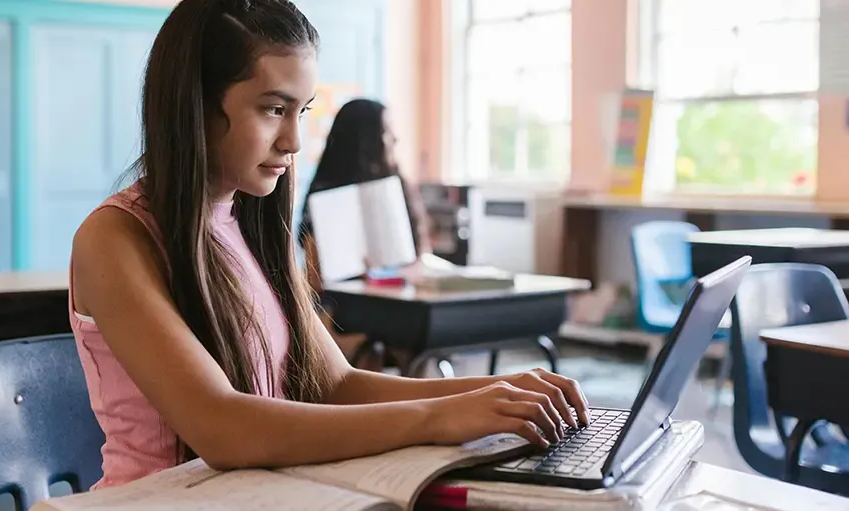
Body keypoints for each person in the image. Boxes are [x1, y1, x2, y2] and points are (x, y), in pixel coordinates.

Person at [69, 0, 590, 491]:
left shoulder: (248, 224)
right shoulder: (115, 239)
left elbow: (336, 384)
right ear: (195, 107)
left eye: (303, 111)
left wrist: (495, 392)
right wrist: (437, 416)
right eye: (274, 109)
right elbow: (222, 427)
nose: (294, 142)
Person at [297, 99, 437, 370]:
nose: (395, 139)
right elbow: (313, 281)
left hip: (399, 301)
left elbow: (420, 255)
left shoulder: (398, 192)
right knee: (371, 346)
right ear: (365, 141)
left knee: (418, 337)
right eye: (386, 132)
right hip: (345, 310)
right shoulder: (325, 199)